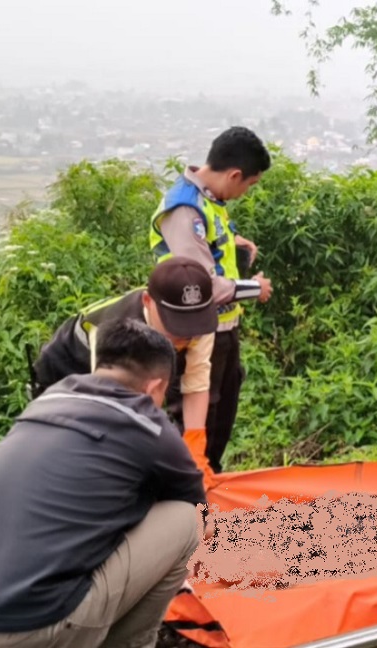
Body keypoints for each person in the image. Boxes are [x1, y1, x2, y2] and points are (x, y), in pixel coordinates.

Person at [0, 318, 211, 648]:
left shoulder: (48, 400)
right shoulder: (148, 423)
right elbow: (202, 516)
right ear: (154, 387)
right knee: (187, 520)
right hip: (29, 626)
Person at [149, 125, 274, 473]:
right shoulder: (185, 209)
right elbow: (201, 283)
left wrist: (235, 242)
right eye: (249, 184)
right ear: (234, 175)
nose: (245, 192)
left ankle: (209, 482)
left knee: (222, 413)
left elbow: (209, 244)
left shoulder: (209, 200)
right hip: (195, 330)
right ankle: (191, 488)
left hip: (223, 326)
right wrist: (254, 288)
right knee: (197, 415)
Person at [31, 256, 218, 437]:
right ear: (148, 302)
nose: (186, 334)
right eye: (176, 324)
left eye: (193, 323)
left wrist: (194, 440)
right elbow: (111, 406)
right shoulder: (115, 332)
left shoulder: (201, 322)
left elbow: (196, 383)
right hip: (68, 370)